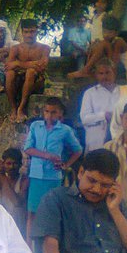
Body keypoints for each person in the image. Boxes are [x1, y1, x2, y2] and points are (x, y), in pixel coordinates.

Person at [23, 97, 83, 235]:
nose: (49, 115)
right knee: (32, 212)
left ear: (60, 114)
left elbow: (78, 150)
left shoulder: (65, 130)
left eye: (53, 112)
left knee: (52, 211)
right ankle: (29, 244)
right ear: (43, 112)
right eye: (47, 111)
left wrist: (66, 165)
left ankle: (48, 241)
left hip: (53, 176)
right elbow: (28, 148)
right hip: (36, 174)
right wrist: (47, 155)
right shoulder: (35, 126)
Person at [79, 58, 127, 152]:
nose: (104, 76)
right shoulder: (90, 93)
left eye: (108, 72)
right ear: (96, 75)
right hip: (96, 143)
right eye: (101, 73)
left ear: (114, 72)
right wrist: (103, 116)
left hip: (119, 143)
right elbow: (84, 118)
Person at [5, 18, 50, 123]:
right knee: (10, 74)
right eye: (26, 32)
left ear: (37, 31)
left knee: (31, 72)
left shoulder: (44, 48)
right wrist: (31, 64)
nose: (29, 35)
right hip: (18, 82)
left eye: (32, 31)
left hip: (36, 82)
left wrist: (18, 63)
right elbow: (9, 67)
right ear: (22, 32)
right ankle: (13, 108)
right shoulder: (15, 48)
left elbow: (41, 67)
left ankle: (21, 108)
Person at [68, 14, 127, 79]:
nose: (106, 35)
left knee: (103, 44)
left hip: (121, 71)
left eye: (110, 32)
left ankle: (85, 71)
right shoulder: (107, 41)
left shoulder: (119, 41)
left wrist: (103, 47)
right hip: (111, 69)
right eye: (104, 32)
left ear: (116, 33)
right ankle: (87, 71)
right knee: (97, 44)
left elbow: (114, 63)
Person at [0, 147, 29, 235]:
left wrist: (3, 179)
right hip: (3, 220)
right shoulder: (0, 178)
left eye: (15, 164)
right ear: (3, 164)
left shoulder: (24, 180)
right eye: (8, 163)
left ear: (20, 164)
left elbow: (17, 202)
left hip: (19, 224)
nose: (11, 167)